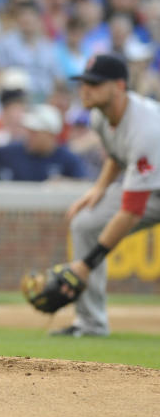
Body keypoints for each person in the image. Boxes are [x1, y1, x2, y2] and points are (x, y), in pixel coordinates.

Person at [55, 54, 160, 337]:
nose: (85, 89)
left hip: (146, 192)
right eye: (83, 82)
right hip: (151, 189)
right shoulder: (100, 116)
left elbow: (131, 211)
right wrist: (99, 188)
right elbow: (117, 153)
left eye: (94, 83)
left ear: (119, 85)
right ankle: (90, 325)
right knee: (85, 223)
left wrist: (86, 264)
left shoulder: (146, 128)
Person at [0, 104, 88, 182]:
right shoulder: (12, 152)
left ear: (50, 135)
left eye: (35, 132)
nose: (29, 135)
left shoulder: (67, 159)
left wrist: (65, 183)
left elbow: (83, 183)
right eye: (29, 131)